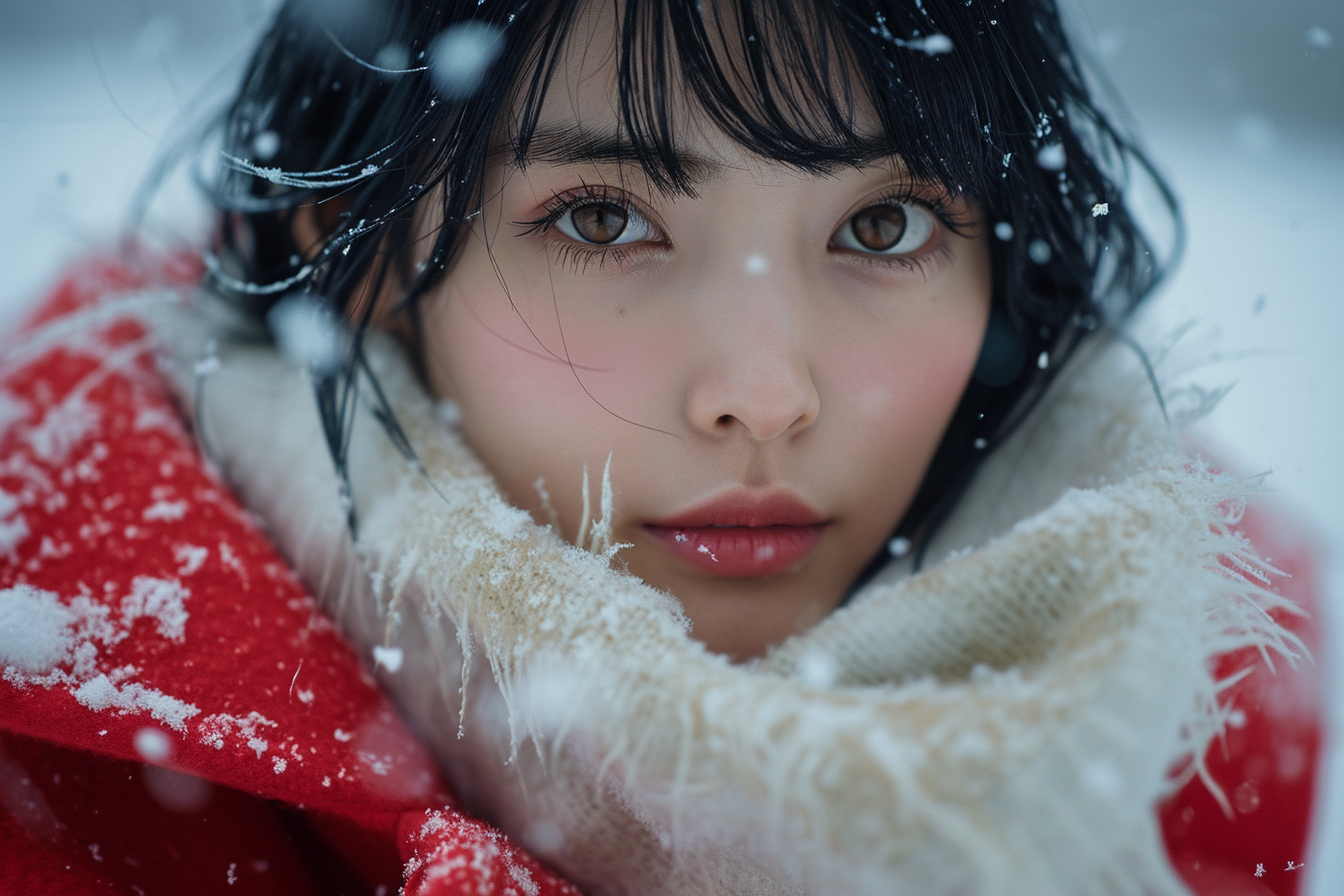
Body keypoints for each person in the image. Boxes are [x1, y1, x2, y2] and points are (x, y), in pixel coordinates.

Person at [0, 0, 1323, 894]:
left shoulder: (1222, 739)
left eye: (883, 229)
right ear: (355, 254)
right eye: (599, 219)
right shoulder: (60, 798)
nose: (765, 395)